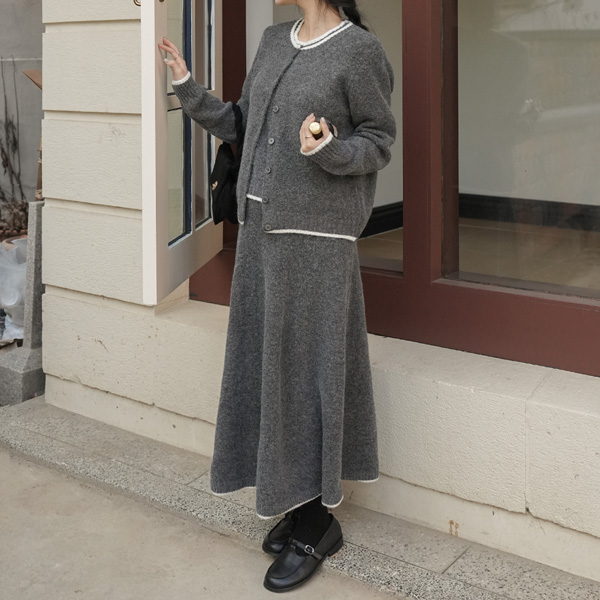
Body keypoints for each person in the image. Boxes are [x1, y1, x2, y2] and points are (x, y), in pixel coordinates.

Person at [159, 0, 396, 592]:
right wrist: (187, 88)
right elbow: (244, 125)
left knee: (309, 371)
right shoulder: (272, 40)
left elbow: (378, 141)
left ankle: (317, 522)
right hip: (261, 233)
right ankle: (295, 500)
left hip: (317, 242)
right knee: (268, 368)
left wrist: (327, 147)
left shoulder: (359, 51)